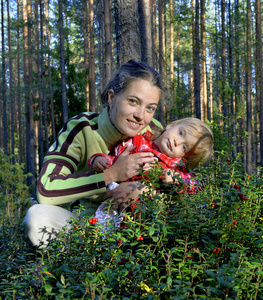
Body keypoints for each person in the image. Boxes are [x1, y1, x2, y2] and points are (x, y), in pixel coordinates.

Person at [24, 59, 163, 247]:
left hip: (131, 225)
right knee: (37, 217)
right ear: (112, 98)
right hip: (80, 226)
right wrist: (111, 174)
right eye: (133, 101)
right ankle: (81, 265)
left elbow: (176, 179)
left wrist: (144, 189)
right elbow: (46, 190)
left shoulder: (154, 131)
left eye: (150, 108)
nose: (140, 115)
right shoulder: (82, 128)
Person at [89, 117, 214, 230]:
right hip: (117, 200)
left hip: (144, 217)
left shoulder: (175, 167)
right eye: (181, 133)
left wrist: (176, 178)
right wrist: (99, 160)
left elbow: (195, 185)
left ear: (184, 157)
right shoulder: (136, 142)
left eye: (184, 147)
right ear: (171, 125)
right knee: (101, 232)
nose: (177, 142)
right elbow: (117, 159)